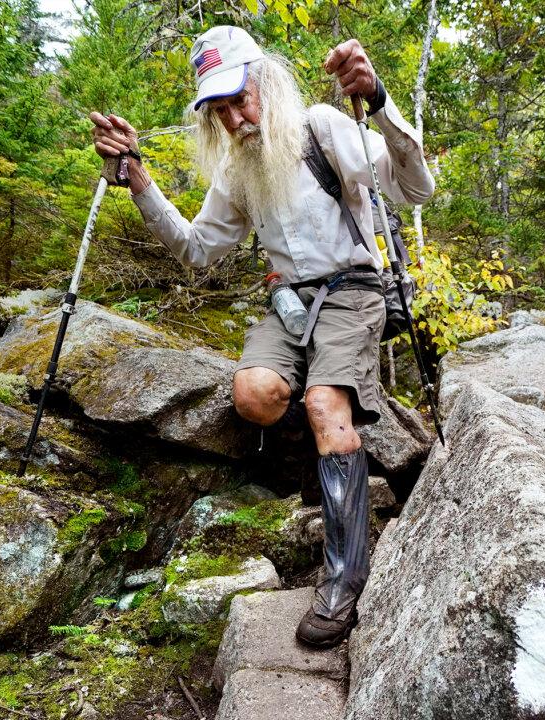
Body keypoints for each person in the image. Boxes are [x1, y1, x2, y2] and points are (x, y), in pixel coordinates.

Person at [91, 25, 433, 647]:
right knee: (252, 393)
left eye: (239, 98)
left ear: (267, 84)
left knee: (325, 402)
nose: (234, 117)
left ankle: (345, 574)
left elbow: (415, 188)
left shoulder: (325, 127)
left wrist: (380, 100)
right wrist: (136, 179)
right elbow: (198, 249)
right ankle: (331, 452)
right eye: (218, 109)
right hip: (290, 302)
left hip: (354, 288)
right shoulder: (237, 170)